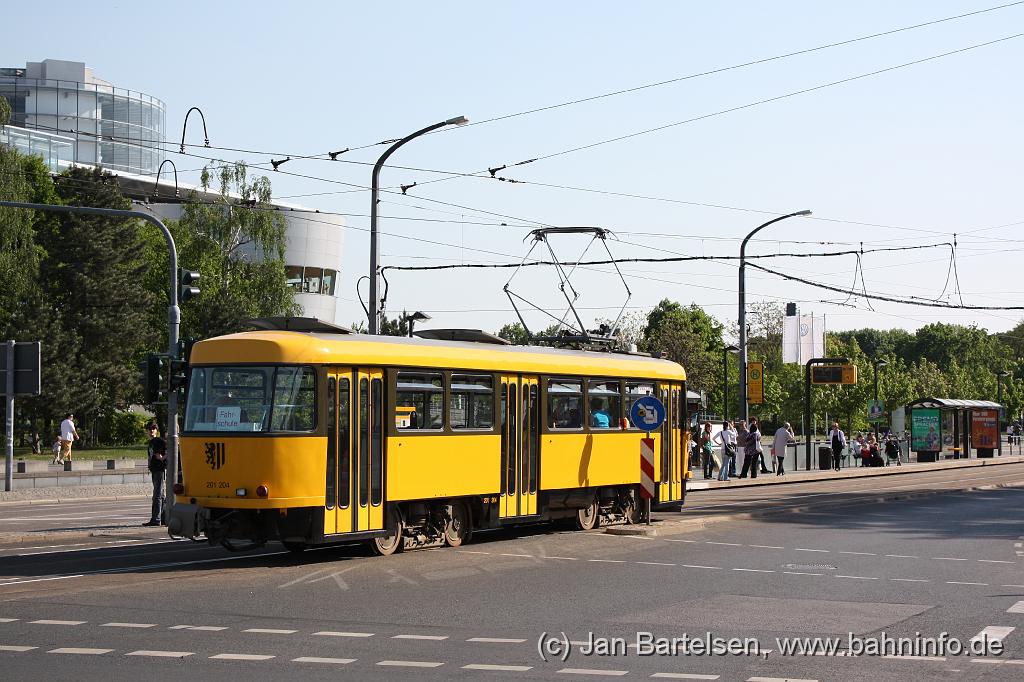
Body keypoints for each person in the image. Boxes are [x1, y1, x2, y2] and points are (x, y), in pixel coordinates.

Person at [143, 422, 167, 527]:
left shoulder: (158, 440)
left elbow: (172, 446)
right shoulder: (151, 442)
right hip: (154, 470)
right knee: (160, 495)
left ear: (156, 430)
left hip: (159, 470)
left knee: (157, 495)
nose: (151, 430)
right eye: (150, 428)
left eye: (153, 428)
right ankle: (164, 518)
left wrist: (163, 457)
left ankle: (156, 519)